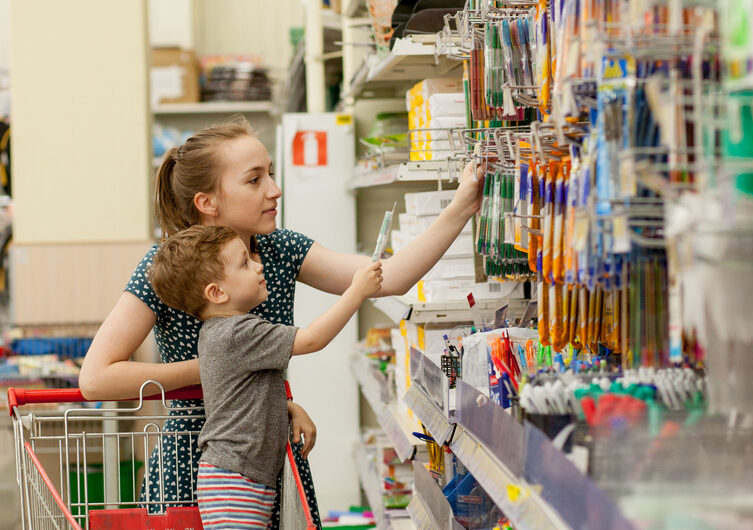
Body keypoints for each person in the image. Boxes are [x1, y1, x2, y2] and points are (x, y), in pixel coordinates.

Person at [78, 115, 484, 525]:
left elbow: (389, 277)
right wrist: (216, 370)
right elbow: (96, 377)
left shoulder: (279, 248)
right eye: (254, 180)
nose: (275, 189)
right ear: (208, 202)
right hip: (195, 465)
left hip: (270, 457)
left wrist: (462, 204)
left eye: (270, 173)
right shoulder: (167, 266)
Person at [147, 225, 382, 527]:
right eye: (245, 262)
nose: (258, 265)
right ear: (217, 292)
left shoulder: (219, 332)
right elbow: (312, 340)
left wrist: (288, 407)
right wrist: (356, 291)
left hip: (235, 474)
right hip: (236, 479)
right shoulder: (238, 332)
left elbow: (239, 397)